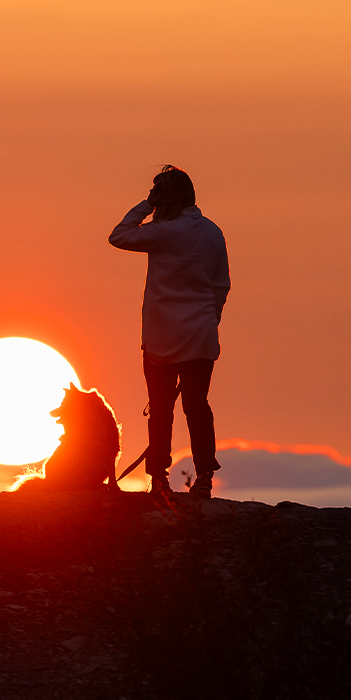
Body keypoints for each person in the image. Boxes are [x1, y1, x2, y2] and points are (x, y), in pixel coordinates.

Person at [109, 165, 230, 502]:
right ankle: (204, 478)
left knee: (161, 408)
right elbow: (222, 284)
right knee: (198, 406)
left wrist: (145, 205)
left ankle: (159, 478)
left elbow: (119, 235)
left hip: (162, 336)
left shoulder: (162, 231)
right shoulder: (212, 232)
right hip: (201, 335)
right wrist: (210, 318)